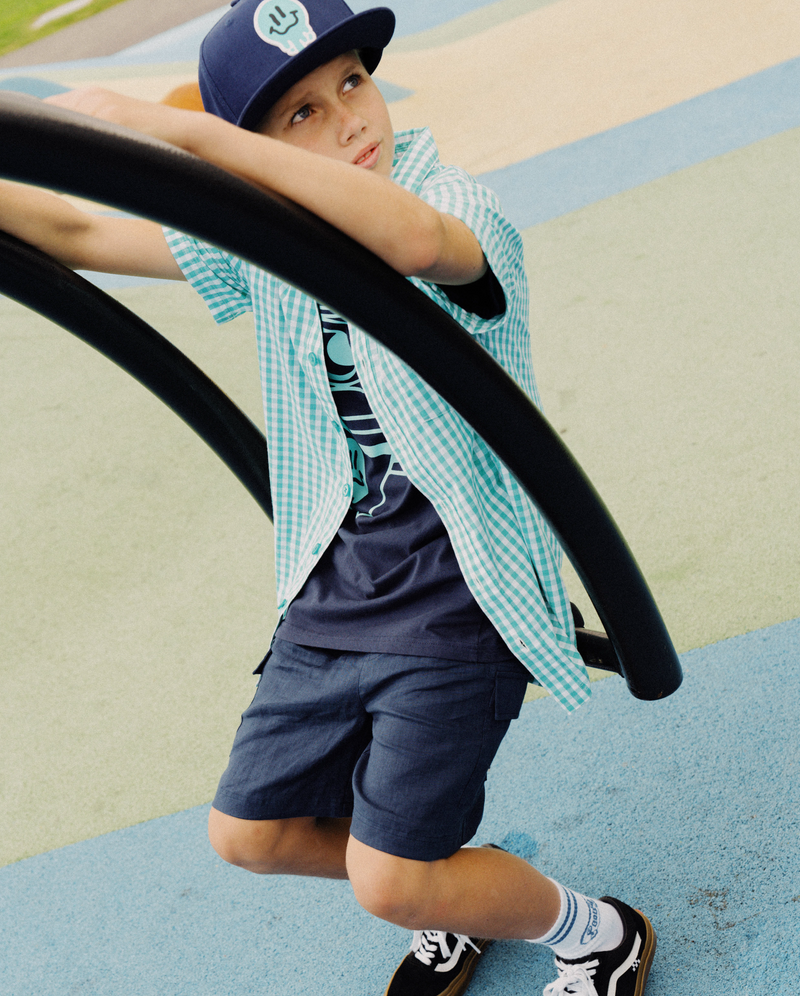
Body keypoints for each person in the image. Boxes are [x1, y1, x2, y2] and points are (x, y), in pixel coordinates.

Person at [0, 2, 656, 993]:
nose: (348, 119)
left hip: (458, 593)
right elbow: (78, 222)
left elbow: (408, 243)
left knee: (387, 882)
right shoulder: (262, 242)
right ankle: (440, 888)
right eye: (300, 113)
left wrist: (188, 136)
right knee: (249, 835)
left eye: (350, 82)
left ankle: (592, 932)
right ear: (261, 155)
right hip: (336, 588)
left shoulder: (454, 206)